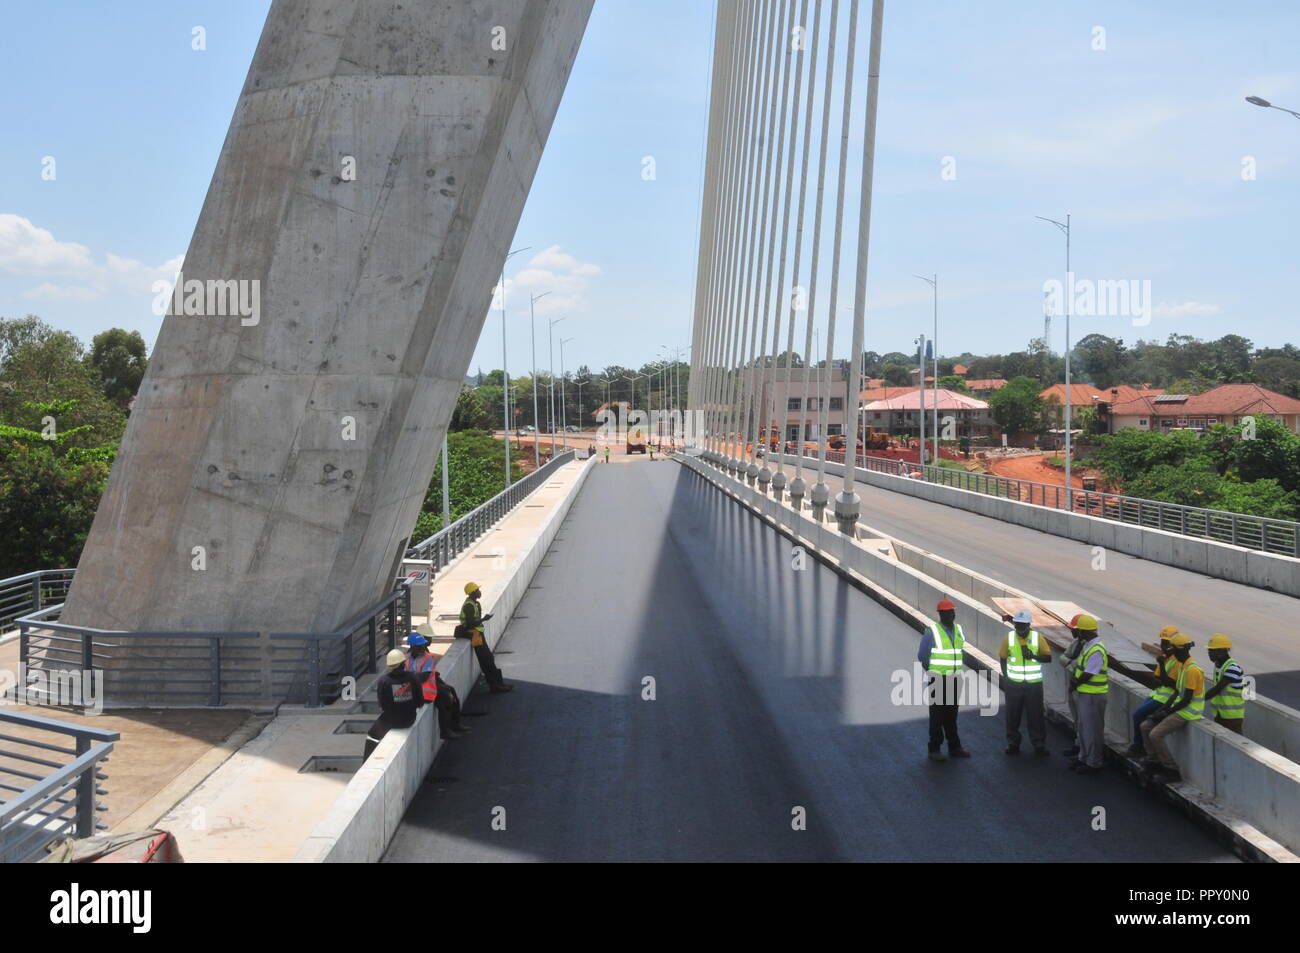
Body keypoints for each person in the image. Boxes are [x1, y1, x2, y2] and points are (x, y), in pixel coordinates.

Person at [1140, 633, 1205, 779]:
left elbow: (1186, 699)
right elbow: (1177, 692)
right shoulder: (1183, 666)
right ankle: (1154, 760)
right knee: (1145, 726)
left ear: (1178, 650)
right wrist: (1162, 710)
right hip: (1180, 708)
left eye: (1172, 648)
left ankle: (1171, 769)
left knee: (1155, 734)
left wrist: (1166, 712)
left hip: (1188, 712)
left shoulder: (1192, 670)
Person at [918, 598, 971, 762]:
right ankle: (934, 749)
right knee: (937, 716)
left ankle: (955, 747)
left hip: (954, 679)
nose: (950, 615)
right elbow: (922, 656)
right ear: (940, 614)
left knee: (951, 716)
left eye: (952, 612)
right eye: (947, 612)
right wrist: (933, 672)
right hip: (938, 679)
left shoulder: (959, 630)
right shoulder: (932, 632)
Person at [999, 609, 1051, 756]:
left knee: (1036, 715)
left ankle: (1039, 743)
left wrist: (1033, 656)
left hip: (1033, 684)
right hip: (1014, 684)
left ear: (1029, 625)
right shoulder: (1009, 638)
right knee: (1012, 715)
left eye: (1023, 625)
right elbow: (1003, 657)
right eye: (1017, 625)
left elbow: (1048, 658)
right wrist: (1006, 677)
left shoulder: (1037, 638)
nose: (1020, 628)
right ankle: (1013, 743)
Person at [1126, 626, 1181, 757]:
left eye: (1166, 643)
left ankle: (1138, 746)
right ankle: (1143, 748)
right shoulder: (1166, 657)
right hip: (1157, 694)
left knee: (1138, 715)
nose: (1163, 645)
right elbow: (1158, 678)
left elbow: (1170, 683)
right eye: (1162, 642)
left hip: (1166, 699)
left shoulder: (1177, 661)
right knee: (1140, 716)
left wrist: (1161, 666)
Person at [364, 649, 425, 759]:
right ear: (403, 663)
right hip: (409, 719)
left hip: (391, 720)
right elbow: (420, 702)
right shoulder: (413, 678)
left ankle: (366, 761)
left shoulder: (383, 681)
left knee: (371, 735)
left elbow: (382, 704)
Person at [406, 633, 466, 741]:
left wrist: (410, 678)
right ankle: (447, 730)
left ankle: (449, 728)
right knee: (444, 701)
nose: (422, 648)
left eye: (422, 645)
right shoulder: (405, 658)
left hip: (427, 692)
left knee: (446, 700)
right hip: (416, 693)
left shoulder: (427, 657)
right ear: (412, 646)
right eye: (419, 646)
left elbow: (424, 676)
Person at [1067, 613, 1107, 775]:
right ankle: (1083, 757)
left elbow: (1088, 673)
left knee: (1092, 731)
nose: (1078, 634)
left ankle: (1094, 763)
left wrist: (1075, 683)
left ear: (1086, 632)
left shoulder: (1097, 650)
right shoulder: (1088, 646)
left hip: (1093, 695)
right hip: (1086, 694)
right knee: (1084, 729)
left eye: (1080, 631)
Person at [459, 581, 513, 692]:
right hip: (475, 636)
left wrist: (482, 619)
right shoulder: (469, 605)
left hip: (478, 634)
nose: (480, 592)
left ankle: (497, 684)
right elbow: (470, 623)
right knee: (487, 660)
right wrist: (484, 619)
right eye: (478, 590)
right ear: (473, 592)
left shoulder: (475, 603)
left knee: (488, 660)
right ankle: (496, 685)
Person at [1204, 634, 1245, 734]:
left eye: (1212, 651)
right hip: (1220, 714)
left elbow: (1217, 688)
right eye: (1209, 651)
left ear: (1222, 651)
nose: (1209, 654)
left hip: (1232, 716)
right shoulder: (1218, 665)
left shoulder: (1232, 668)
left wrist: (1198, 699)